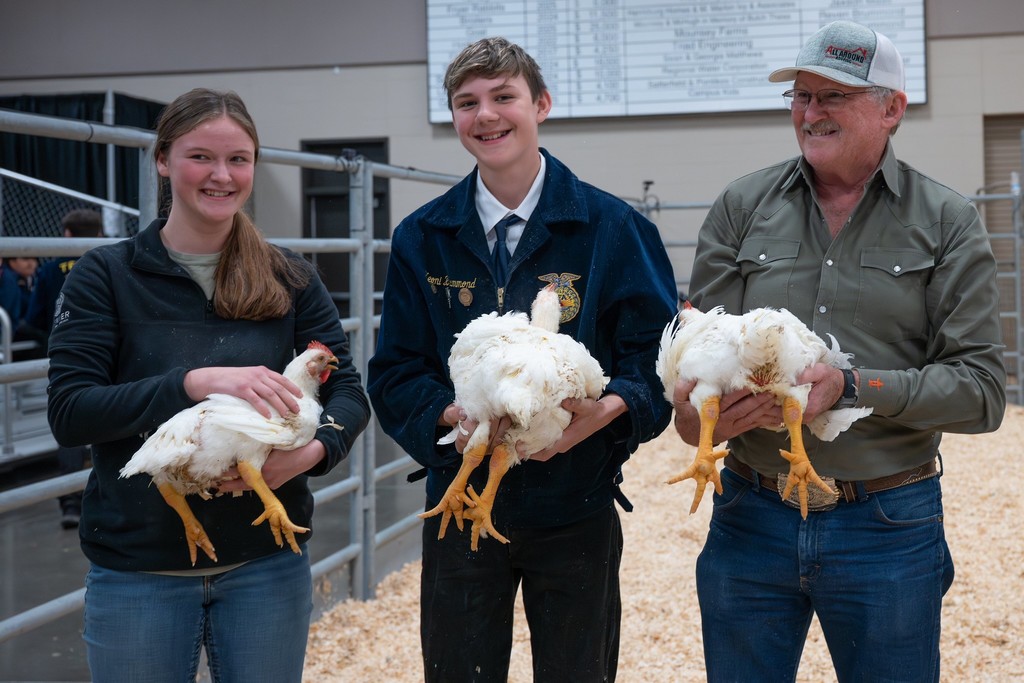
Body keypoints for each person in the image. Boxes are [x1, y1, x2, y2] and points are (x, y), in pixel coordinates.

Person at [671, 20, 1007, 682]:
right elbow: (697, 364)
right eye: (801, 95)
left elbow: (982, 392)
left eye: (833, 96)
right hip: (751, 513)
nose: (810, 112)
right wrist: (696, 419)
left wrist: (852, 386)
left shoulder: (945, 221)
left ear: (892, 108)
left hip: (886, 522)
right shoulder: (741, 206)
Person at [367, 37, 677, 682]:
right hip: (460, 497)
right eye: (466, 103)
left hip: (577, 502)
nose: (486, 115)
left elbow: (654, 357)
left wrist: (607, 414)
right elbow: (395, 367)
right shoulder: (423, 237)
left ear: (541, 103)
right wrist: (451, 418)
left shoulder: (611, 229)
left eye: (503, 96)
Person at [46, 88, 371, 683]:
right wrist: (191, 382)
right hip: (138, 566)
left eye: (239, 159)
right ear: (164, 161)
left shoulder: (289, 277)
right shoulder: (107, 276)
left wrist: (306, 456)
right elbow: (71, 412)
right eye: (201, 157)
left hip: (264, 563)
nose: (222, 175)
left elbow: (348, 392)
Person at [27, 208, 105, 528]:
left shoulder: (48, 270)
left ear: (67, 233)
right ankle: (107, 496)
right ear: (99, 234)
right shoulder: (113, 265)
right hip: (110, 355)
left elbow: (31, 318)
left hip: (66, 355)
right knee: (112, 423)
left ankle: (71, 503)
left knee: (71, 425)